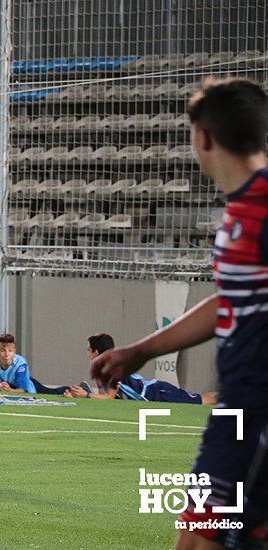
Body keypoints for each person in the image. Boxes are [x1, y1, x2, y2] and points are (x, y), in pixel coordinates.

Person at [91, 78, 268, 549]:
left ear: (203, 137)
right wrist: (141, 350)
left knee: (200, 539)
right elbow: (230, 299)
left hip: (258, 414)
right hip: (237, 411)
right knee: (199, 537)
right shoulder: (240, 210)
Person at [65, 333, 217, 404]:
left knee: (205, 400)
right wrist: (79, 397)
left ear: (96, 352)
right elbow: (105, 400)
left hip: (157, 393)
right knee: (205, 398)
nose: (87, 352)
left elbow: (109, 398)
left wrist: (85, 395)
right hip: (152, 394)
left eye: (88, 349)